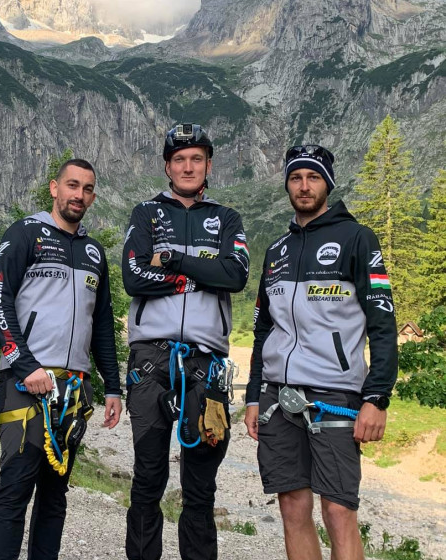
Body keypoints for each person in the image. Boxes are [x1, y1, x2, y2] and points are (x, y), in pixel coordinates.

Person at [244, 144, 398, 560]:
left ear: (327, 183)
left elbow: (384, 325)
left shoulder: (358, 239)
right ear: (287, 185)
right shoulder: (277, 250)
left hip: (335, 397)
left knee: (338, 510)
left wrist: (376, 398)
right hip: (278, 397)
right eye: (296, 178)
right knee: (292, 506)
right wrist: (254, 396)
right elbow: (263, 331)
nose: (304, 186)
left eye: (313, 177)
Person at [0, 158, 122, 560]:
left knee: (55, 492)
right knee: (15, 488)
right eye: (72, 185)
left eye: (88, 189)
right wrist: (25, 365)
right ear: (54, 188)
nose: (79, 195)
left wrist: (112, 386)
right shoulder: (26, 233)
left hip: (74, 388)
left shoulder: (94, 251)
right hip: (26, 383)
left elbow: (103, 325)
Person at [122, 123, 249, 560]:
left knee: (200, 486)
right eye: (179, 159)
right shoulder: (145, 214)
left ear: (208, 165)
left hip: (206, 365)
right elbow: (132, 276)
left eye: (196, 158)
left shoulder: (227, 218)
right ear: (167, 167)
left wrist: (173, 259)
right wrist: (199, 275)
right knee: (148, 477)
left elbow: (235, 276)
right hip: (150, 360)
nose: (188, 166)